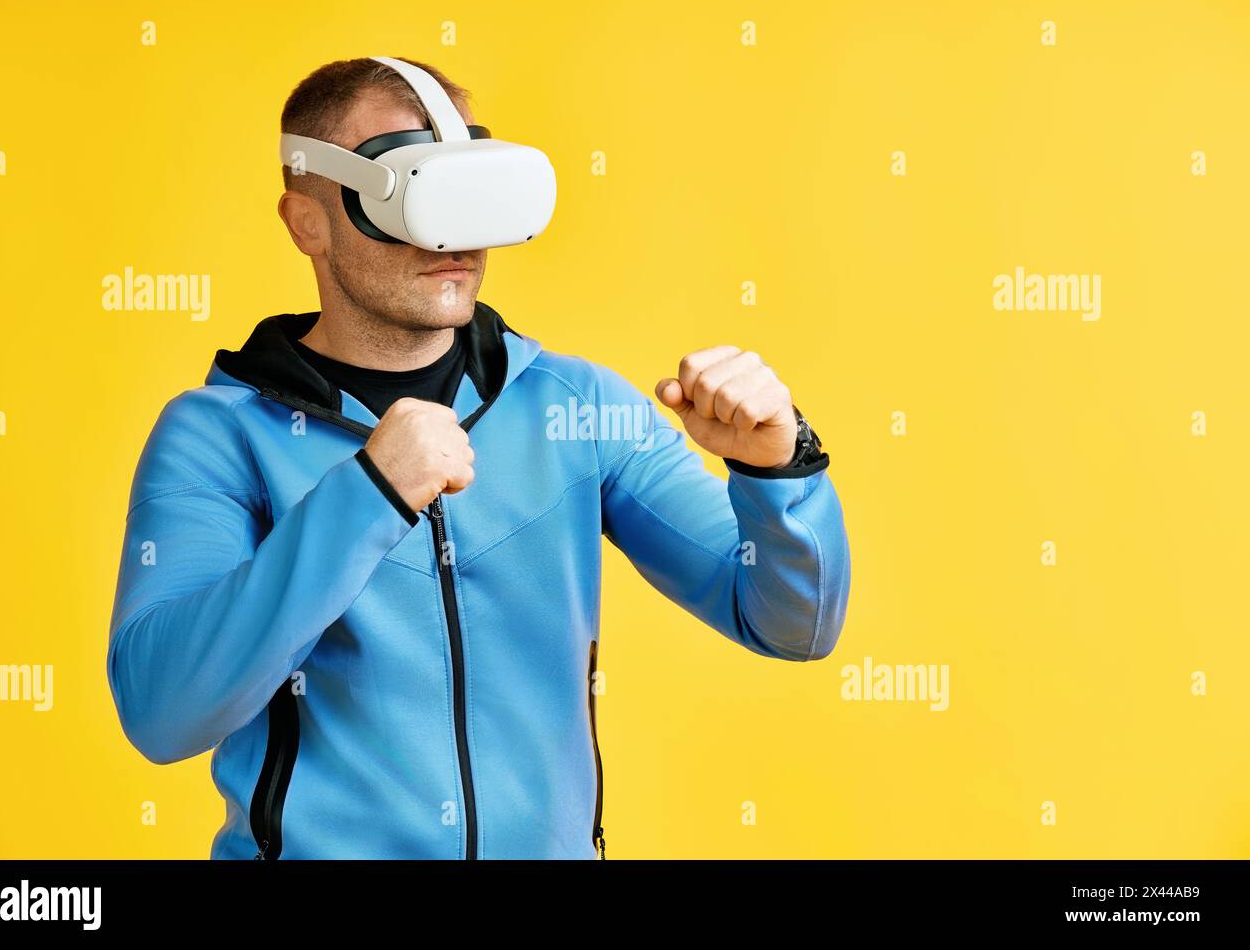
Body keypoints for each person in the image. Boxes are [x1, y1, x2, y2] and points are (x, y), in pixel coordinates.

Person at [107, 57, 851, 859]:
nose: (452, 237)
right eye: (406, 193)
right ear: (306, 222)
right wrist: (366, 495)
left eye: (469, 194)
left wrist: (781, 469)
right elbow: (163, 710)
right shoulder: (217, 434)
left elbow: (791, 625)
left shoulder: (578, 406)